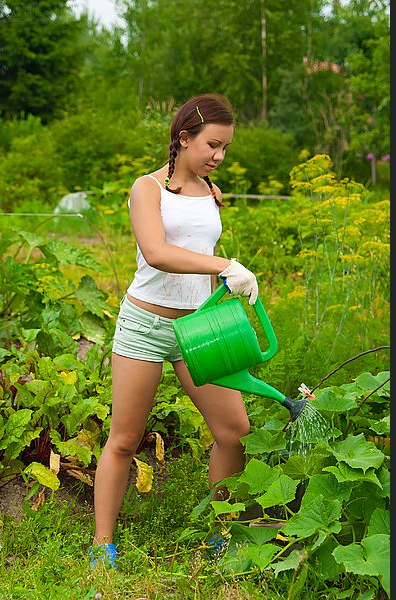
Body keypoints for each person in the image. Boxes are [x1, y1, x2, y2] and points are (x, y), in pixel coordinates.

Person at [89, 93, 259, 569]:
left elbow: (197, 255)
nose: (219, 156)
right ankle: (102, 547)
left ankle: (221, 533)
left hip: (198, 327)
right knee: (124, 438)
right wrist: (227, 264)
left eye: (224, 148)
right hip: (144, 325)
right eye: (212, 145)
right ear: (183, 138)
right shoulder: (147, 188)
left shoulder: (211, 193)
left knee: (233, 431)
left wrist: (220, 293)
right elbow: (158, 252)